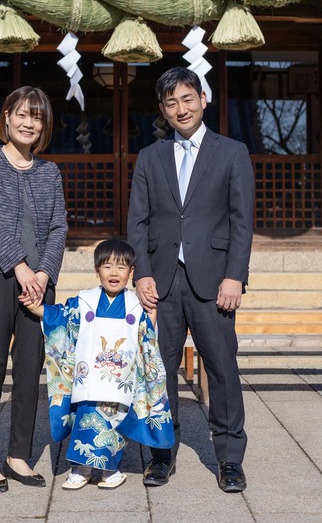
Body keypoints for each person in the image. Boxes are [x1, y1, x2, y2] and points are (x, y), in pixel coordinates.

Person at [127, 66, 254, 493]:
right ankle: (161, 454)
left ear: (203, 99)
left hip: (214, 280)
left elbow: (242, 221)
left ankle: (230, 458)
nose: (181, 108)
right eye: (171, 102)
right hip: (161, 283)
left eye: (187, 99)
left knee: (221, 369)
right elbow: (137, 222)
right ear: (162, 109)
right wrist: (141, 273)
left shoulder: (232, 152)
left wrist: (235, 276)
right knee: (158, 370)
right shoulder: (150, 157)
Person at [0, 86, 68, 492]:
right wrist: (20, 266)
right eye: (23, 115)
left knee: (30, 370)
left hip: (39, 285)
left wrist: (44, 274)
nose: (30, 123)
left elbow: (59, 226)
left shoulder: (49, 171)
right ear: (7, 116)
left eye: (38, 118)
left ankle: (18, 455)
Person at [21, 238, 174, 491]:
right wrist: (37, 309)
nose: (114, 273)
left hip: (121, 379)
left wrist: (152, 312)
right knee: (87, 417)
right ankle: (81, 468)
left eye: (122, 267)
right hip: (89, 376)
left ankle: (110, 468)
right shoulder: (86, 301)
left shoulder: (137, 304)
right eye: (107, 266)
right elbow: (61, 316)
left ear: (131, 273)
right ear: (97, 271)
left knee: (114, 422)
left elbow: (148, 336)